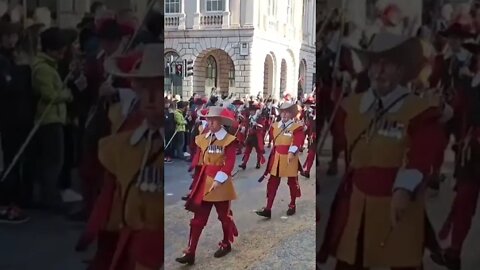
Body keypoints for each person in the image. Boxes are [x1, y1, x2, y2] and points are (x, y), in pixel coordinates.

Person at [318, 32, 448, 270]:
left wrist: (404, 188)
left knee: (401, 260)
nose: (379, 71)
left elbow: (423, 154)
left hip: (399, 206)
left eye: (387, 64)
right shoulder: (350, 106)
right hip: (357, 203)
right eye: (375, 63)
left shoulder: (420, 111)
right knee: (350, 260)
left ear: (402, 70)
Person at [82, 43, 164, 270]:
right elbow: (112, 197)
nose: (150, 98)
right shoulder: (118, 145)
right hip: (135, 247)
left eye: (159, 89)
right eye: (144, 88)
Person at [433, 42, 480, 270]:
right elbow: (453, 111)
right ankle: (454, 252)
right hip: (470, 155)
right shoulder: (468, 85)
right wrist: (436, 106)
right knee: (463, 202)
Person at [176, 106, 239, 265]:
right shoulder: (203, 137)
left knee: (224, 217)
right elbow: (197, 153)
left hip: (221, 184)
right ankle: (191, 252)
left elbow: (229, 162)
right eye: (208, 120)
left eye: (213, 120)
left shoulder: (228, 139)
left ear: (220, 122)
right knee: (198, 219)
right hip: (204, 183)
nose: (209, 123)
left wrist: (219, 178)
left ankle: (226, 243)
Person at [32, 27, 73, 210]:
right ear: (49, 49)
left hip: (53, 119)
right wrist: (67, 94)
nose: (62, 55)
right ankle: (49, 198)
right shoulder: (44, 69)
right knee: (54, 162)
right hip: (49, 120)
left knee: (52, 161)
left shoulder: (46, 66)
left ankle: (49, 195)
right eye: (59, 51)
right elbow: (50, 94)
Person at [0, 21, 33, 222]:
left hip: (15, 116)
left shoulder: (13, 57)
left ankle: (11, 199)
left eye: (14, 36)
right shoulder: (4, 61)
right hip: (5, 117)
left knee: (13, 159)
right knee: (6, 160)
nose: (11, 40)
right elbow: (8, 85)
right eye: (7, 36)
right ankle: (4, 203)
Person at [256, 102, 303, 218]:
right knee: (272, 183)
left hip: (290, 157)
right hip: (277, 157)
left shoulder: (296, 127)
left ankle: (292, 204)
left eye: (287, 112)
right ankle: (268, 208)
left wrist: (292, 151)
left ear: (292, 114)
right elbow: (274, 140)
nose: (284, 114)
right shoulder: (274, 126)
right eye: (283, 112)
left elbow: (298, 141)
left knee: (292, 182)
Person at [239, 102, 266, 169]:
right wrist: (243, 128)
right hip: (249, 137)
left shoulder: (259, 118)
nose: (251, 112)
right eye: (250, 111)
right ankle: (244, 163)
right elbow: (246, 125)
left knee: (258, 151)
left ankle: (258, 163)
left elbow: (262, 126)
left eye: (252, 111)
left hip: (256, 137)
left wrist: (256, 124)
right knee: (247, 151)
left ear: (255, 111)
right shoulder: (249, 118)